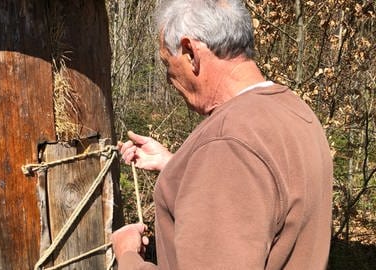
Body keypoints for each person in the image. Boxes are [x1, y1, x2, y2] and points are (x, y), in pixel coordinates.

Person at [111, 0, 333, 269]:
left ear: (190, 51)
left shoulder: (227, 143)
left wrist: (128, 256)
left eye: (166, 63)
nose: (169, 78)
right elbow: (267, 194)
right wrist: (179, 167)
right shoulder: (295, 111)